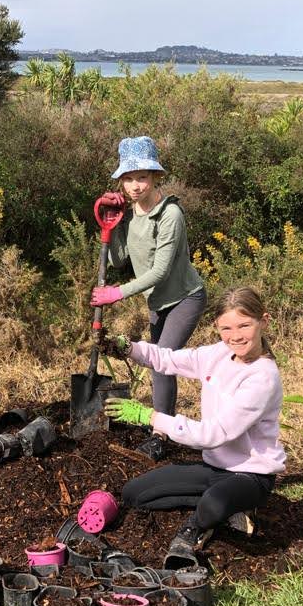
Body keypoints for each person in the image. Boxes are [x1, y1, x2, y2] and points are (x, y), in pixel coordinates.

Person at [103, 287, 286, 569]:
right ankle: (226, 507)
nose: (235, 336)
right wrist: (129, 348)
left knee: (213, 504)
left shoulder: (262, 378)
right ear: (217, 328)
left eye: (244, 325)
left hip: (251, 475)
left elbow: (211, 434)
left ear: (264, 321)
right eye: (226, 328)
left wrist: (151, 416)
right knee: (134, 494)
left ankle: (198, 526)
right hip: (215, 468)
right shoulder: (218, 353)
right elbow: (168, 359)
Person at [91, 135, 207, 462]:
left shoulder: (171, 215)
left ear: (156, 176)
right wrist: (111, 224)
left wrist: (116, 293)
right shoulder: (130, 216)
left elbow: (159, 272)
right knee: (161, 364)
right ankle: (163, 427)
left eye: (142, 177)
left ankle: (159, 436)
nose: (135, 185)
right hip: (158, 304)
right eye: (128, 178)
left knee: (161, 362)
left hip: (186, 299)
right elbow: (116, 260)